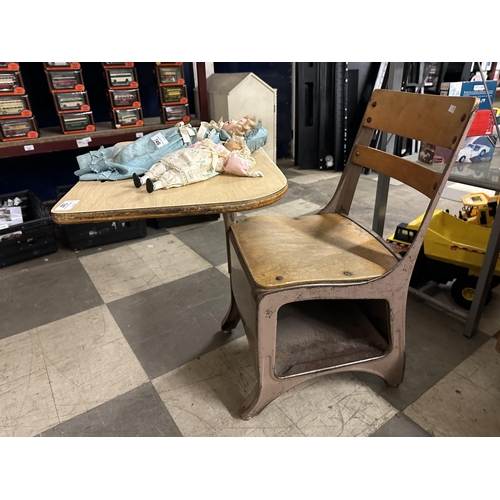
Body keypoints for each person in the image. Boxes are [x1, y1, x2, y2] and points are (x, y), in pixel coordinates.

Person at [74, 116, 266, 181]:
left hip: (174, 146)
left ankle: (94, 168)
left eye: (238, 122)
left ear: (239, 134)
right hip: (169, 136)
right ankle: (91, 162)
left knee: (134, 159)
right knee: (134, 148)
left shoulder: (218, 141)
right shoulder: (215, 129)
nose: (233, 120)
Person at [132, 135, 263, 193]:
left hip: (201, 164)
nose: (233, 141)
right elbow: (196, 145)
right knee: (167, 162)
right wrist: (190, 149)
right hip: (187, 155)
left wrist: (248, 172)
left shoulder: (227, 157)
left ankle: (155, 185)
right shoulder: (213, 144)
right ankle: (143, 179)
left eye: (237, 143)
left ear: (238, 149)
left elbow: (236, 165)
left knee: (179, 174)